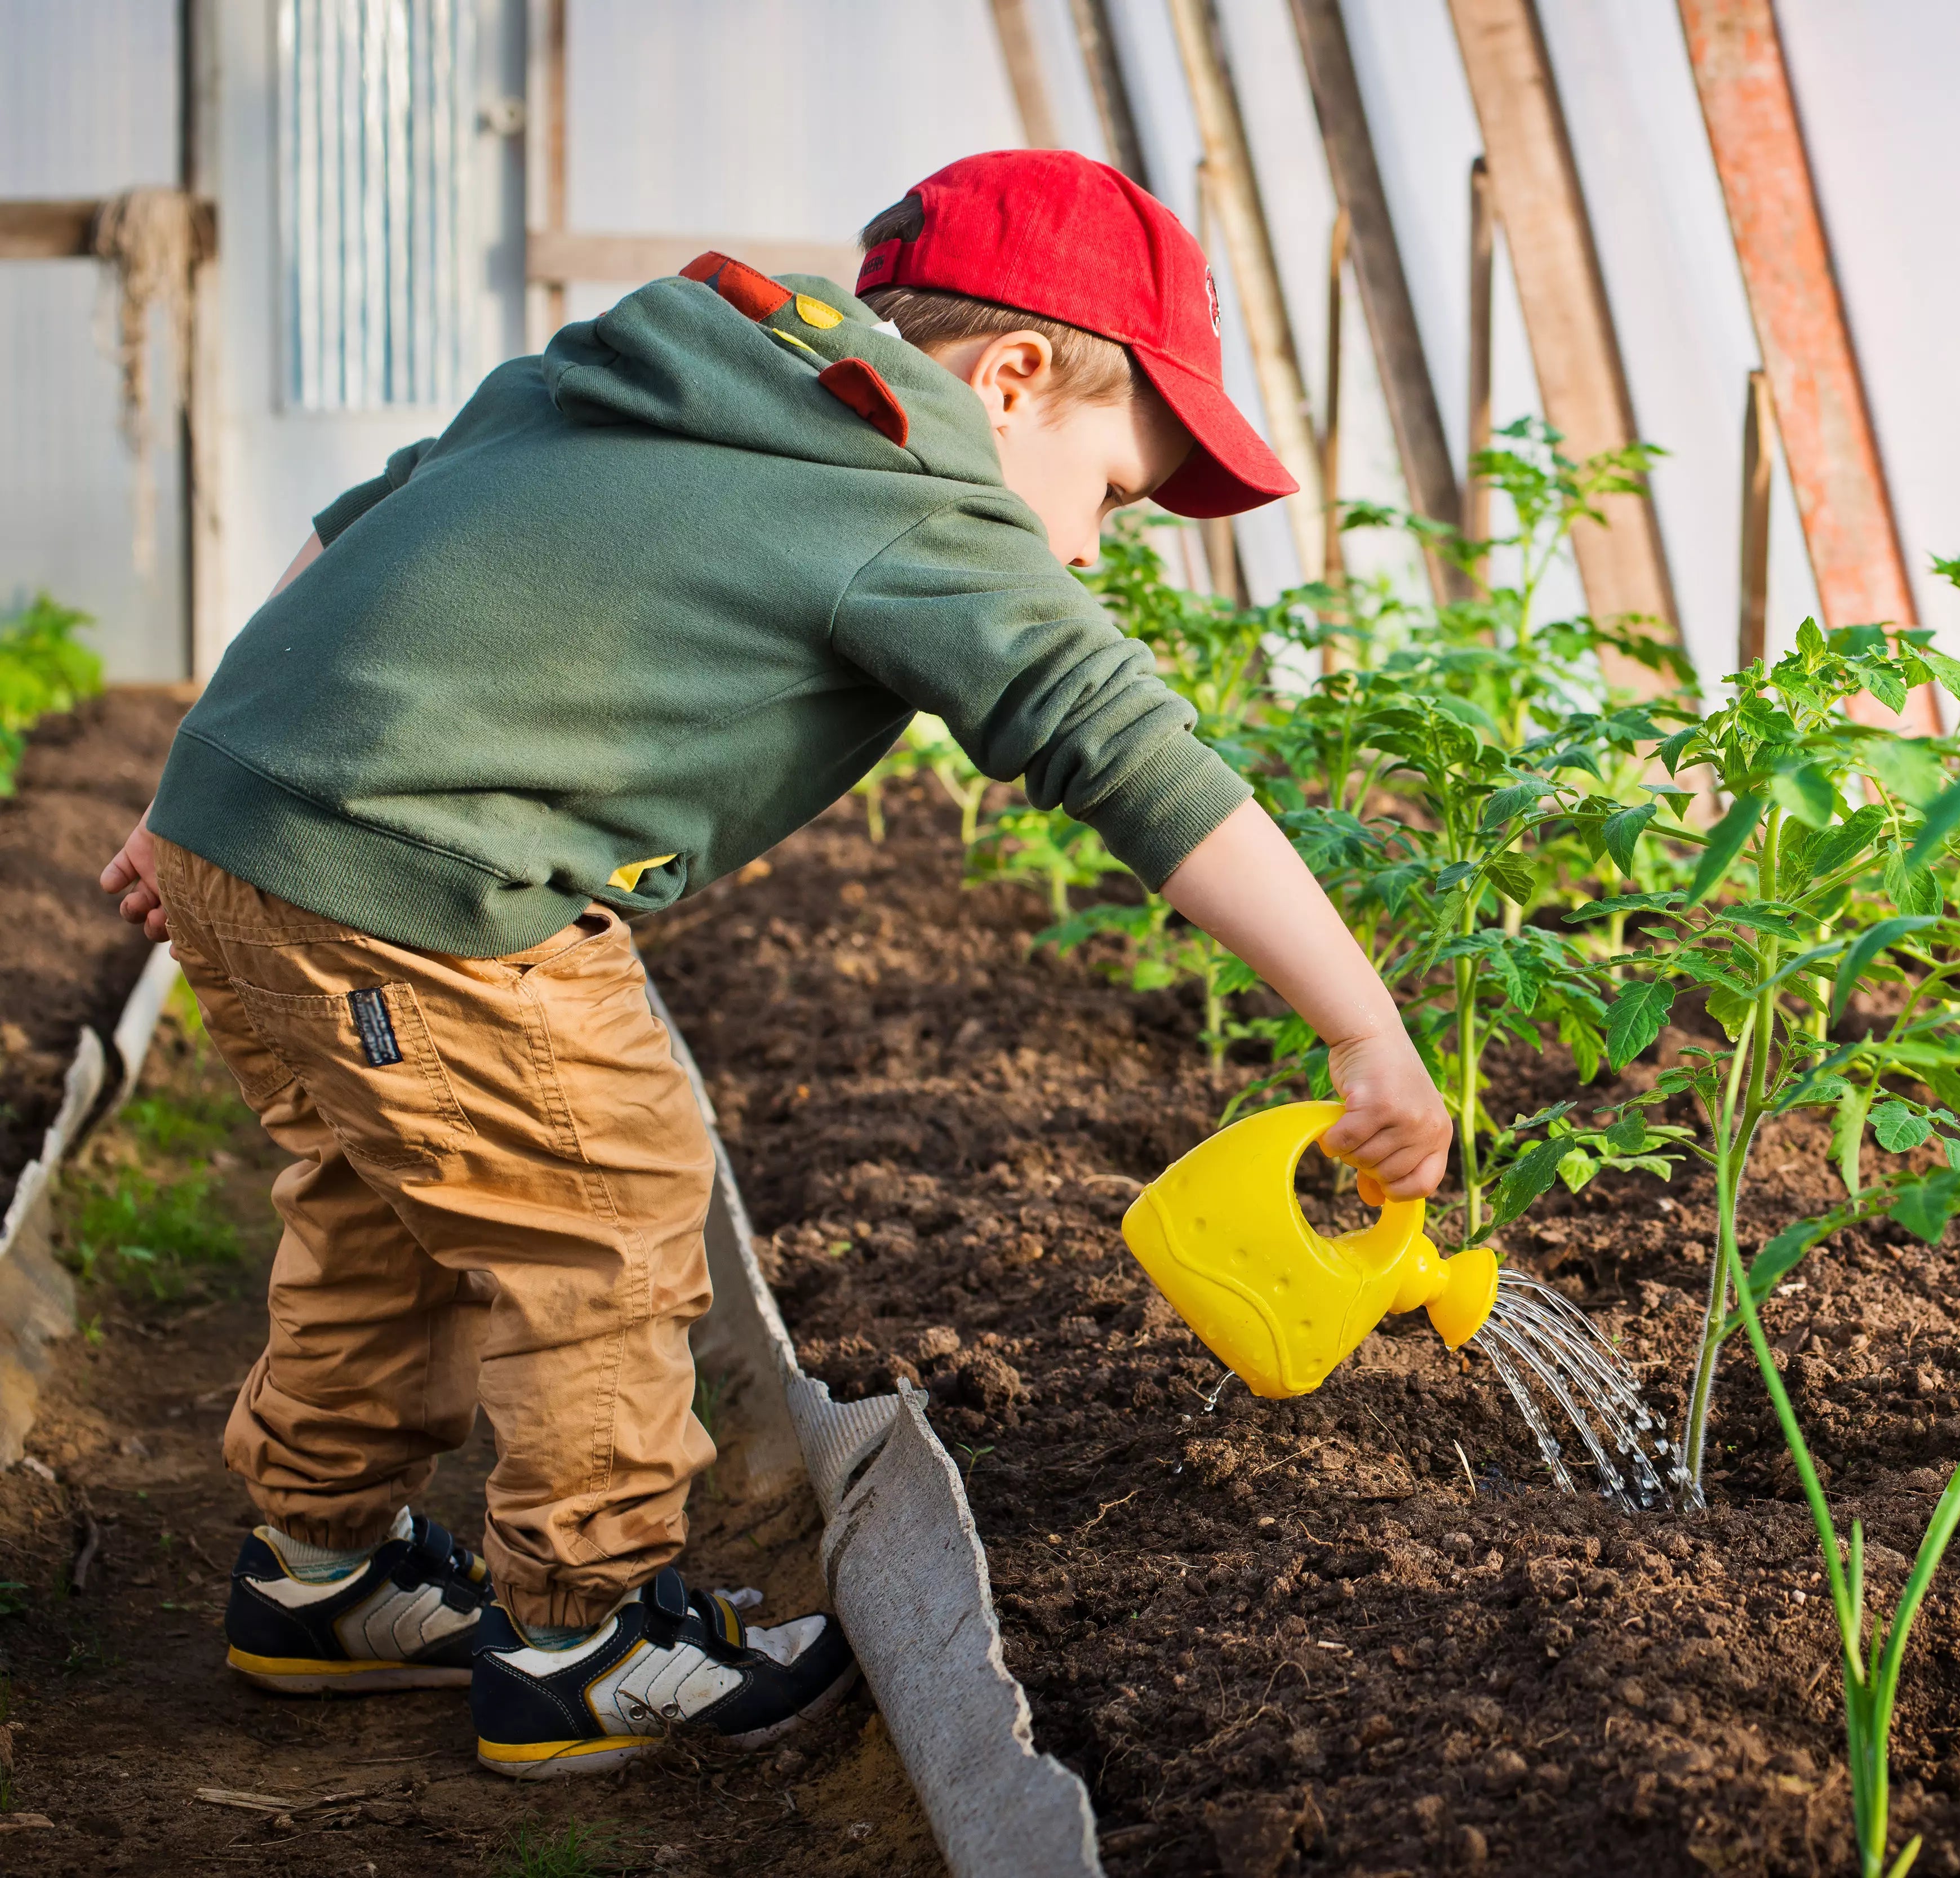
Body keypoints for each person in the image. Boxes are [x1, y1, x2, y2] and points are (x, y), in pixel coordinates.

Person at [98, 150, 1452, 1778]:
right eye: (1112, 491)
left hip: (251, 829)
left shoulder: (674, 357)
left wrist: (199, 778)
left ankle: (321, 1581)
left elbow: (373, 520)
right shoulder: (917, 495)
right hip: (436, 884)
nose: (1091, 550)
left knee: (386, 1211)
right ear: (1011, 380)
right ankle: (582, 1640)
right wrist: (1365, 1031)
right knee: (603, 1210)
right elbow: (1130, 754)